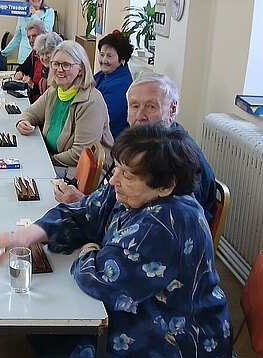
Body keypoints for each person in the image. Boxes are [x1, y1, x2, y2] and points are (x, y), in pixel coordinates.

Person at [0, 123, 240, 358]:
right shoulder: (132, 191)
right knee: (44, 330)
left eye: (128, 175)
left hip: (175, 344)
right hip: (142, 317)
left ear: (166, 185)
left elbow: (104, 281)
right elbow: (85, 212)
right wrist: (21, 237)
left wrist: (89, 251)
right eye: (117, 168)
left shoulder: (168, 222)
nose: (114, 179)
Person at [54, 72, 216, 224]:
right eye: (134, 106)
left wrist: (83, 206)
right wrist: (86, 204)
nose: (140, 116)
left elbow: (161, 222)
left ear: (172, 109)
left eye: (151, 106)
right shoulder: (140, 146)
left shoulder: (179, 159)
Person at [16, 40, 113, 178]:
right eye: (55, 64)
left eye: (66, 65)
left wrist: (45, 159)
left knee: (24, 172)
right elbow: (31, 113)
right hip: (54, 160)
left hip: (77, 171)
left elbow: (80, 153)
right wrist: (23, 122)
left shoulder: (91, 102)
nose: (59, 69)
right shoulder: (55, 91)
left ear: (81, 69)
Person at [94, 30, 134, 139]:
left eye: (109, 56)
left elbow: (101, 117)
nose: (104, 60)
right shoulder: (105, 74)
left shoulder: (120, 85)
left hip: (108, 138)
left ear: (122, 59)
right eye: (102, 55)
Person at [2, 0, 55, 65]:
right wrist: (3, 53)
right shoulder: (22, 12)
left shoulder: (49, 12)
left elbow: (46, 31)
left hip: (41, 56)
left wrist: (34, 15)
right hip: (24, 56)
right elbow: (17, 37)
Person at [12, 20, 48, 102]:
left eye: (34, 36)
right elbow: (22, 67)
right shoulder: (34, 53)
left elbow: (47, 90)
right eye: (29, 37)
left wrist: (32, 84)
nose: (31, 40)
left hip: (43, 102)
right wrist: (19, 72)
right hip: (32, 99)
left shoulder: (48, 58)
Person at [25, 31, 62, 102]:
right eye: (42, 54)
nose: (44, 58)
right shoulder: (45, 70)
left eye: (48, 53)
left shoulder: (59, 73)